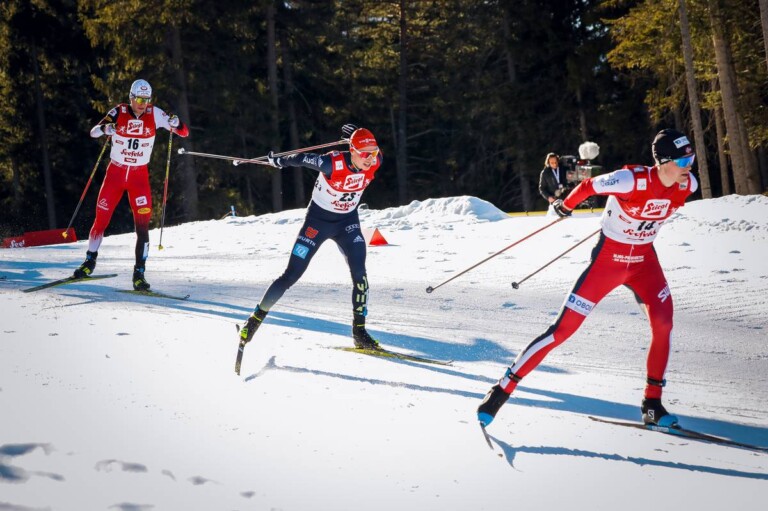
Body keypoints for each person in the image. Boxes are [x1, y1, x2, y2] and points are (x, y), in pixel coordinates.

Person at [478, 128, 698, 428]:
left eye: (692, 160)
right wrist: (565, 206)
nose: (689, 169)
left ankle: (652, 404)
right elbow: (590, 186)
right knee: (562, 331)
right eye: (683, 163)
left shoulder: (688, 185)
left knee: (664, 324)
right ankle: (502, 390)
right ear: (663, 162)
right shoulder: (630, 179)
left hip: (644, 262)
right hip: (608, 263)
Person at [238, 124, 383, 349]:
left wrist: (358, 137)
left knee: (360, 275)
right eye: (365, 154)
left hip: (348, 223)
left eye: (373, 153)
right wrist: (279, 160)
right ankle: (254, 320)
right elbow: (301, 158)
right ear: (352, 151)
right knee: (291, 274)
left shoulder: (376, 161)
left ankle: (360, 333)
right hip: (317, 223)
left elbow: (371, 149)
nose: (370, 159)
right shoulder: (330, 163)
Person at [73, 79, 189, 290]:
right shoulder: (119, 111)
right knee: (101, 220)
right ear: (131, 97)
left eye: (146, 99)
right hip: (115, 175)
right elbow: (94, 132)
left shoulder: (155, 114)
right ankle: (89, 262)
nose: (142, 103)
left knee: (142, 228)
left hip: (138, 178)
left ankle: (139, 274)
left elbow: (183, 132)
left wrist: (176, 123)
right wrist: (107, 128)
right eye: (138, 99)